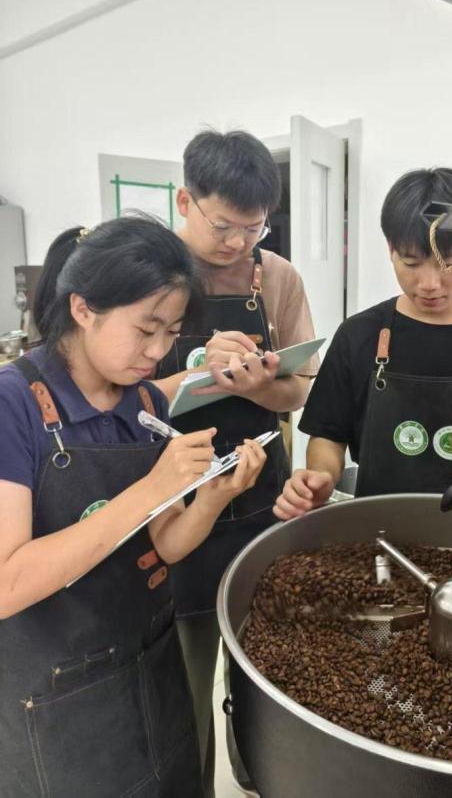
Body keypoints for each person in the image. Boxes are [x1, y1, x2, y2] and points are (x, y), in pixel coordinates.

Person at [0, 216, 266, 798]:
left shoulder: (145, 402)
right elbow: (6, 583)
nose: (158, 351)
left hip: (149, 665)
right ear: (83, 308)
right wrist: (149, 490)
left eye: (172, 332)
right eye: (145, 329)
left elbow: (164, 544)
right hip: (57, 697)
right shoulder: (13, 402)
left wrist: (212, 497)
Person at [153, 129, 319, 795]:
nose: (237, 244)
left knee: (262, 663)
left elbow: (299, 390)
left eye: (254, 229)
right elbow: (116, 394)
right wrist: (199, 369)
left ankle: (259, 780)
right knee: (185, 677)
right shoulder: (149, 273)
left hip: (258, 493)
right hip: (174, 504)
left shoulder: (275, 276)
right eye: (224, 226)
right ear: (184, 201)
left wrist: (254, 385)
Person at [274, 167, 452, 517]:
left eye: (447, 262)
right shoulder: (359, 335)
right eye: (411, 263)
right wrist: (320, 477)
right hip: (379, 535)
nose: (429, 283)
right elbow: (328, 435)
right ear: (390, 249)